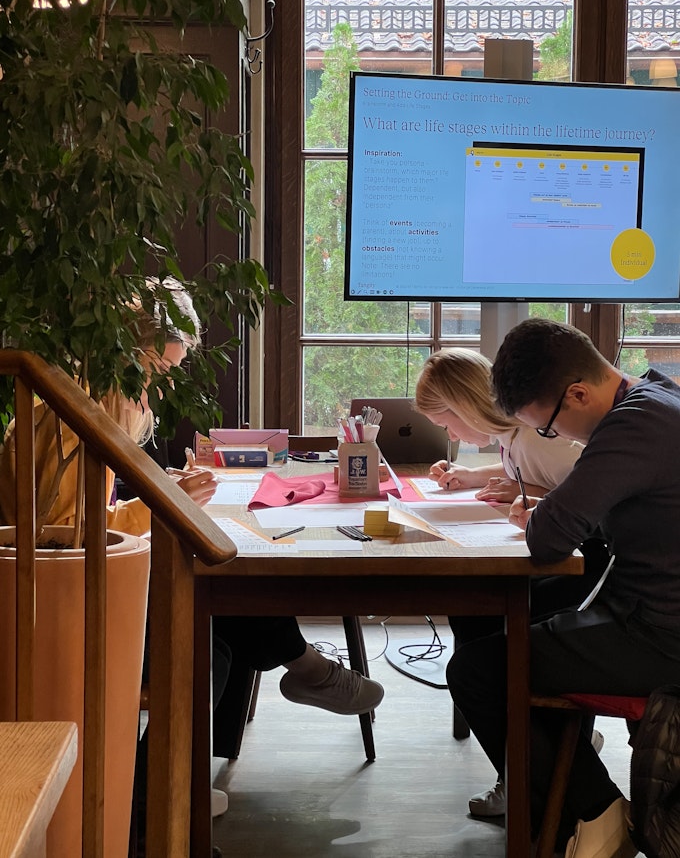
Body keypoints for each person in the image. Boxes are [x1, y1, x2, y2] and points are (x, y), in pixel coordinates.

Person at [0, 281, 384, 838]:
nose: (158, 388)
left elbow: (87, 517)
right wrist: (163, 504)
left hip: (81, 582)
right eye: (158, 371)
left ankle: (179, 780)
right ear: (128, 355)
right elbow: (66, 538)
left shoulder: (81, 405)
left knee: (225, 614)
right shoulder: (70, 416)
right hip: (60, 602)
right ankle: (155, 802)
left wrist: (161, 492)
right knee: (214, 637)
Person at [448, 317, 680, 857]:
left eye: (549, 428)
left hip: (659, 634)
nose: (557, 439)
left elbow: (549, 537)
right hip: (646, 612)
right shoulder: (658, 396)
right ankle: (587, 810)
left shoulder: (633, 425)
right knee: (512, 638)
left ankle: (596, 812)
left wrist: (537, 513)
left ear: (578, 393)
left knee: (478, 670)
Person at [414, 348, 610, 819]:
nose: (449, 434)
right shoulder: (518, 435)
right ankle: (538, 746)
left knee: (484, 640)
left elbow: (589, 498)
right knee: (472, 611)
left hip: (589, 565)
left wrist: (537, 498)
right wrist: (475, 476)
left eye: (447, 423)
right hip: (572, 554)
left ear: (466, 407)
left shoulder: (542, 438)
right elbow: (527, 473)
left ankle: (535, 759)